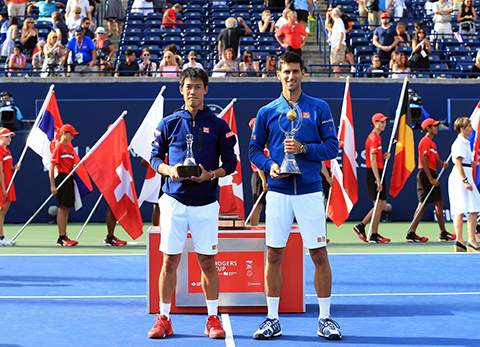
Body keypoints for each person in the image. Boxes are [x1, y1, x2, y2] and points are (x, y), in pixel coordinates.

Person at [249, 51, 341, 341]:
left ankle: (325, 319)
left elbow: (332, 149)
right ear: (278, 74)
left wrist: (304, 149)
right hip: (278, 192)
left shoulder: (319, 108)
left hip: (311, 190)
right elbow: (254, 150)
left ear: (304, 73)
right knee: (274, 254)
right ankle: (272, 319)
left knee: (318, 254)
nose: (291, 76)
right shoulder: (266, 112)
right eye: (286, 72)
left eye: (295, 71)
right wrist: (269, 165)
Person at [148, 67, 237, 340]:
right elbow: (154, 159)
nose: (193, 91)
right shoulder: (169, 123)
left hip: (206, 202)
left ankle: (212, 318)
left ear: (206, 90)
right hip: (173, 201)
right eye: (188, 86)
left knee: (208, 263)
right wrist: (169, 170)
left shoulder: (220, 126)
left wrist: (211, 175)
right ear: (181, 89)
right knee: (169, 261)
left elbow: (231, 164)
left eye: (198, 86)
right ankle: (164, 319)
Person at [407, 118, 454, 242]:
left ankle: (443, 233)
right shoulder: (425, 141)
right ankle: (411, 233)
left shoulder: (432, 143)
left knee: (439, 203)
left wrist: (442, 163)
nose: (437, 127)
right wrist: (431, 179)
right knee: (423, 204)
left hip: (430, 173)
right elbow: (423, 161)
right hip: (425, 174)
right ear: (428, 128)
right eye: (434, 126)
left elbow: (436, 160)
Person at [353, 113, 391, 244]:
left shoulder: (378, 138)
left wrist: (383, 156)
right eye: (381, 122)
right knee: (378, 204)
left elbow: (377, 159)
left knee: (382, 204)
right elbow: (372, 161)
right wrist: (378, 180)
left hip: (378, 171)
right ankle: (372, 234)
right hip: (374, 174)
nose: (383, 124)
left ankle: (363, 227)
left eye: (385, 122)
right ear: (375, 123)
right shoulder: (373, 138)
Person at [448, 117, 480, 252]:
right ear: (462, 128)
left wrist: (471, 164)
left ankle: (460, 242)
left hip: (463, 174)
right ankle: (471, 240)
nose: (471, 128)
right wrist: (465, 181)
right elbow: (458, 163)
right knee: (473, 206)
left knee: (461, 209)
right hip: (461, 177)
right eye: (469, 126)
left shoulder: (465, 142)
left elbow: (463, 162)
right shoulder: (460, 143)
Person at [49, 124, 80, 247]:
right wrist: (52, 185)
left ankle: (64, 236)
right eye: (71, 134)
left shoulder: (71, 148)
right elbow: (52, 166)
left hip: (69, 179)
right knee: (62, 208)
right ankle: (61, 238)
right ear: (64, 133)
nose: (72, 137)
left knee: (66, 208)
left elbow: (72, 164)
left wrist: (74, 167)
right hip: (62, 178)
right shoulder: (59, 148)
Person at [0, 128, 19, 246]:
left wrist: (14, 168)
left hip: (9, 182)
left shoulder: (8, 151)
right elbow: (0, 171)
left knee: (4, 210)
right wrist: (2, 188)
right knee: (1, 211)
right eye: (7, 136)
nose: (9, 139)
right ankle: (1, 237)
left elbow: (8, 169)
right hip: (2, 184)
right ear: (1, 137)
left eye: (10, 137)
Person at [248, 117, 268, 226]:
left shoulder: (263, 143)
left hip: (267, 175)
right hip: (259, 176)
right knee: (257, 204)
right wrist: (264, 180)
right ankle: (253, 229)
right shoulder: (256, 144)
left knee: (270, 204)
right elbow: (259, 165)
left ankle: (269, 229)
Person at [327, 8, 345, 78]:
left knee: (335, 63)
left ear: (334, 14)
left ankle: (340, 77)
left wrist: (338, 45)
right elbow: (336, 33)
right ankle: (339, 77)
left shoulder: (338, 21)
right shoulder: (337, 22)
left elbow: (341, 33)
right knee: (333, 64)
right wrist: (331, 39)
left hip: (337, 44)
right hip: (334, 44)